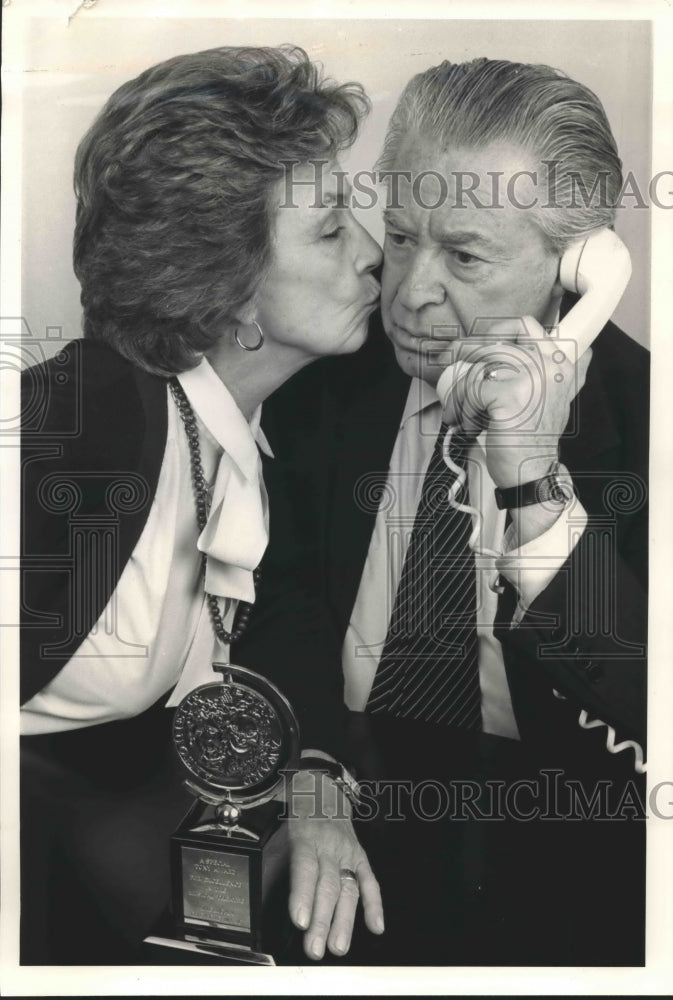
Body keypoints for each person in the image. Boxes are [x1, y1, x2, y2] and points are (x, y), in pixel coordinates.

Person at [237, 58, 648, 964]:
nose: (409, 292)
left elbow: (647, 694)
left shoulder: (646, 420)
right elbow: (282, 596)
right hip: (340, 793)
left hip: (562, 845)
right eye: (399, 236)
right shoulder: (325, 377)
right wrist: (305, 771)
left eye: (464, 255)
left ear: (579, 266)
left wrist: (533, 481)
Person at [19, 45, 386, 964]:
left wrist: (315, 789)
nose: (374, 253)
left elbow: (287, 621)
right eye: (331, 231)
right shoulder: (82, 425)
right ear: (230, 302)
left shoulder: (254, 429)